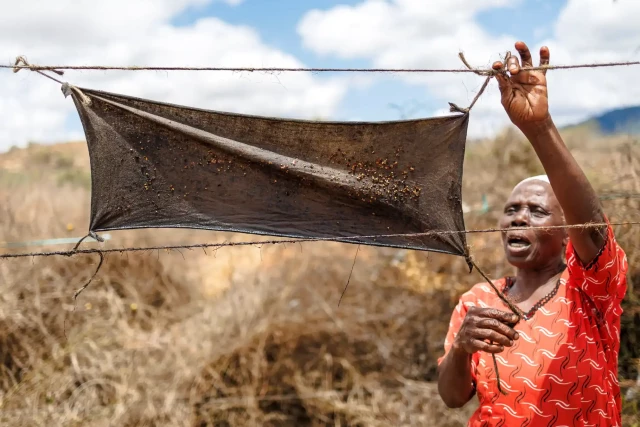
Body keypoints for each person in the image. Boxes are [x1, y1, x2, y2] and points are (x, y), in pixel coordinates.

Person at [437, 41, 628, 426]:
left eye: (537, 211)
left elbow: (589, 223)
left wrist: (538, 128)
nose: (518, 219)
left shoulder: (589, 288)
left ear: (565, 232)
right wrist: (460, 349)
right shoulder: (478, 299)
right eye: (511, 211)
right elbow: (454, 397)